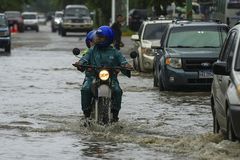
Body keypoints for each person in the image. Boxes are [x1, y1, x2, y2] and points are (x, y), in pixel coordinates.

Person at [77, 26, 132, 122]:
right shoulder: (92, 50)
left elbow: (123, 61)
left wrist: (127, 65)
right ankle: (86, 115)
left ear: (108, 38)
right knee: (85, 89)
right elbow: (84, 58)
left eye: (100, 37)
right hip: (93, 77)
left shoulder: (115, 52)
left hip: (111, 78)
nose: (97, 38)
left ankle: (115, 115)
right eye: (97, 36)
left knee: (118, 91)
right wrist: (80, 63)